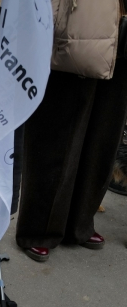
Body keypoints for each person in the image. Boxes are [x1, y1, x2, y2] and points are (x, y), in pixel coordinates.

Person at [16, 0, 127, 262]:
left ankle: (80, 222)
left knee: (104, 132)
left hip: (122, 25)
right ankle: (39, 229)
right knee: (58, 129)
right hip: (80, 20)